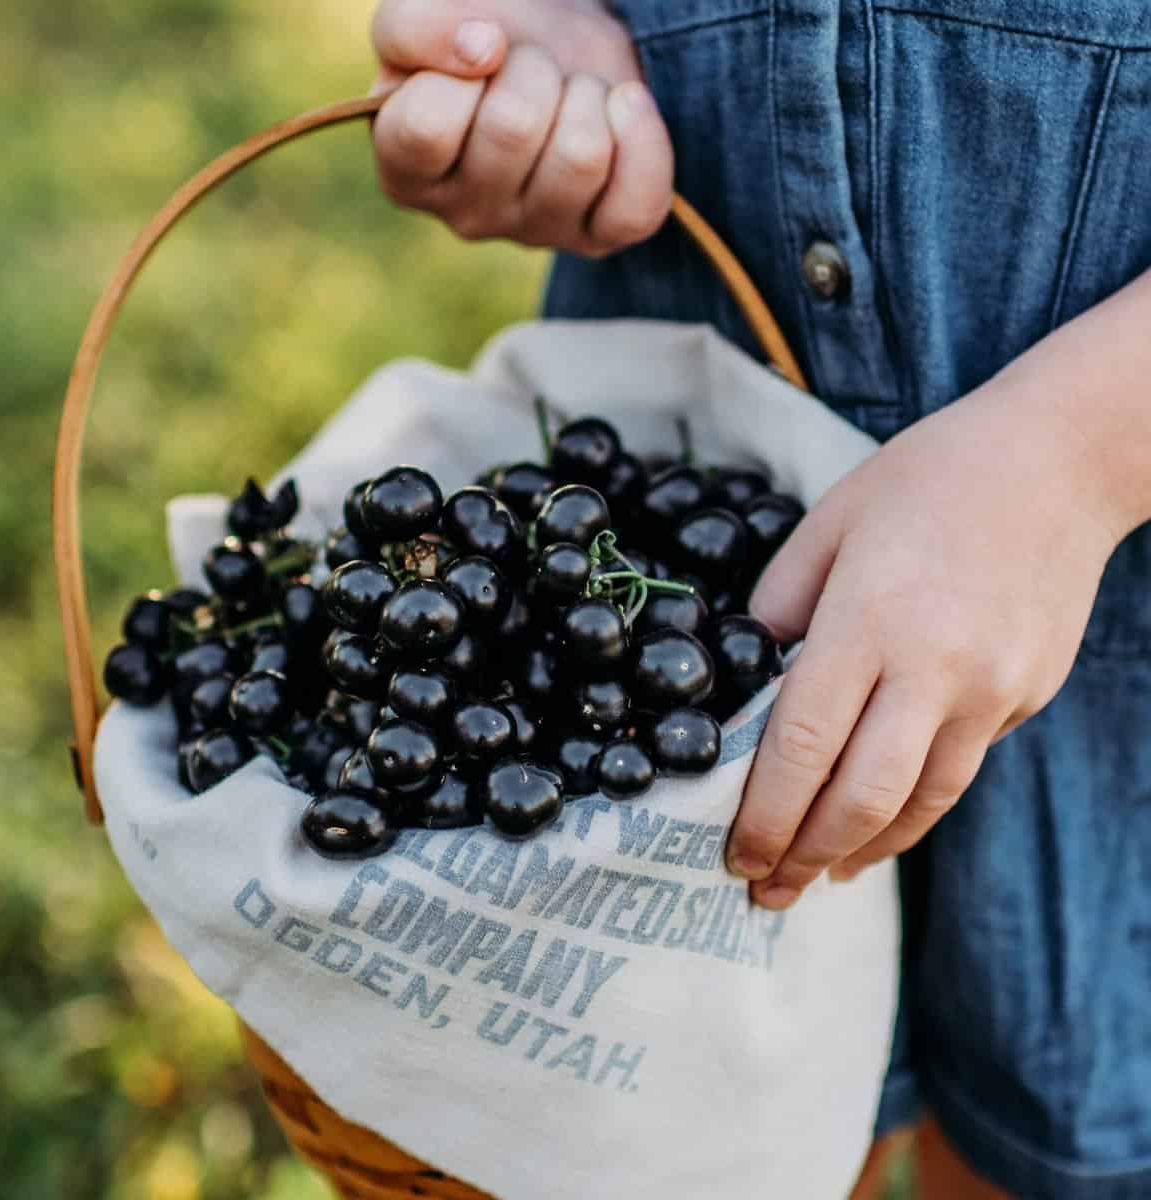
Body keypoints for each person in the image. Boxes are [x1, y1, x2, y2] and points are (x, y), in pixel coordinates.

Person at [365, 2, 1151, 1197]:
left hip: (1107, 577)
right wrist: (525, 46)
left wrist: (1078, 455)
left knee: (1042, 1147)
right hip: (683, 390)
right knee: (686, 1135)